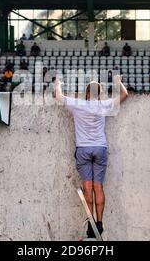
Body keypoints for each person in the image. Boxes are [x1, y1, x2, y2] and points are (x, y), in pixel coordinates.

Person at [54, 75, 128, 238]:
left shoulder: (78, 104)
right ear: (99, 94)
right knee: (98, 187)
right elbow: (124, 95)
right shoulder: (103, 105)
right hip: (100, 148)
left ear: (86, 93)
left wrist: (58, 84)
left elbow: (58, 96)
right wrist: (117, 82)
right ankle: (100, 223)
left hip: (83, 149)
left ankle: (91, 222)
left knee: (87, 187)